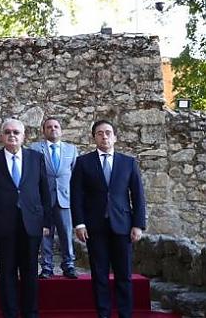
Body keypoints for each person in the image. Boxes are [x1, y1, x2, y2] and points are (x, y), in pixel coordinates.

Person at [71, 120, 146, 318]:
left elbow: (138, 196)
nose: (104, 136)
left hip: (123, 226)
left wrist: (138, 224)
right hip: (95, 228)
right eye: (99, 133)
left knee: (124, 275)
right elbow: (76, 196)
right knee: (99, 275)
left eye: (108, 132)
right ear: (94, 137)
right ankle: (103, 313)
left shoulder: (128, 162)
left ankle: (125, 313)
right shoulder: (83, 162)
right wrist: (79, 223)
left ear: (115, 137)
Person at [0, 118, 51, 318]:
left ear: (23, 136)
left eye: (16, 132)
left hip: (31, 223)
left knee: (29, 271)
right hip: (3, 224)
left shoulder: (36, 158)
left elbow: (45, 192)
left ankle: (30, 312)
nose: (12, 135)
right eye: (8, 132)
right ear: (2, 136)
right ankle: (9, 312)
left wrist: (47, 222)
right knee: (6, 271)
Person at [30, 117, 78, 279]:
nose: (53, 129)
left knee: (66, 233)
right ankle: (46, 267)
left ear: (61, 130)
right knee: (45, 235)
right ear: (43, 131)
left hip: (65, 199)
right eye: (49, 127)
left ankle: (69, 265)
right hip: (44, 199)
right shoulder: (35, 148)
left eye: (56, 126)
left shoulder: (71, 150)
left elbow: (75, 175)